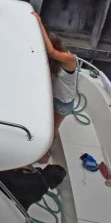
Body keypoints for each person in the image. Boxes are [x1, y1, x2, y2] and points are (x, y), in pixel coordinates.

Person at [32, 12, 77, 161]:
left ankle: (44, 155)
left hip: (63, 102)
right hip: (53, 97)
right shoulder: (52, 63)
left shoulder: (69, 59)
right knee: (45, 124)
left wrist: (39, 22)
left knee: (52, 129)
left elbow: (51, 52)